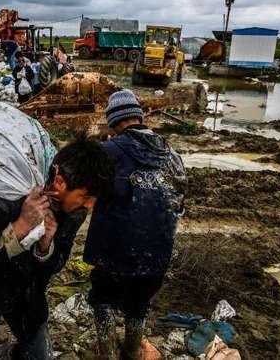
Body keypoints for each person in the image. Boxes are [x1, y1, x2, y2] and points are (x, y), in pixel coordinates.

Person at [0, 137, 115, 360]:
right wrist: (19, 227)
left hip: (25, 295)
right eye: (87, 196)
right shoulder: (1, 197)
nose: (90, 206)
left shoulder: (74, 212)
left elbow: (57, 261)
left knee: (40, 355)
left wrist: (45, 247)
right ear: (60, 181)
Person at [83, 89, 187, 359]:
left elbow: (86, 194)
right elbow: (179, 204)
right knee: (138, 303)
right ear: (139, 117)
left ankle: (106, 351)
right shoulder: (172, 155)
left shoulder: (107, 153)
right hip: (157, 255)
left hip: (114, 253)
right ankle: (132, 349)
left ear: (114, 120)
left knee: (103, 299)